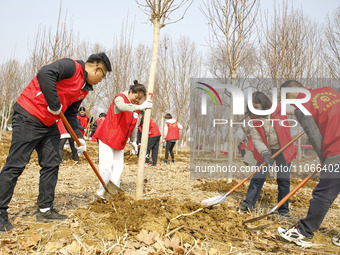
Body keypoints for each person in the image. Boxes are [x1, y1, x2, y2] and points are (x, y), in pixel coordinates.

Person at [0, 52, 112, 233]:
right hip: (29, 115)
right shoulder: (71, 66)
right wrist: (53, 103)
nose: (101, 80)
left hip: (49, 123)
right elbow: (45, 74)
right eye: (103, 76)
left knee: (52, 163)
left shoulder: (83, 89)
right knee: (16, 165)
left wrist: (79, 137)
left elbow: (70, 113)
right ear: (97, 69)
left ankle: (45, 209)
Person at [277, 80, 340, 248]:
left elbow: (314, 136)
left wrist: (324, 159)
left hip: (337, 149)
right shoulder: (328, 90)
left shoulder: (302, 107)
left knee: (323, 194)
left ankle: (303, 232)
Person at [236, 92, 297, 216]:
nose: (257, 110)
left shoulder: (279, 108)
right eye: (254, 108)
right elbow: (257, 139)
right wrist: (264, 154)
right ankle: (248, 205)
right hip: (266, 151)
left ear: (265, 105)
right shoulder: (253, 120)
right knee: (258, 178)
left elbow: (297, 112)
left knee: (283, 180)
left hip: (283, 149)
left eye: (258, 107)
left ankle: (283, 209)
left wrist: (307, 117)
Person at [96, 80, 152, 198]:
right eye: (136, 97)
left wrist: (133, 141)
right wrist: (139, 106)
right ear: (131, 91)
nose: (137, 100)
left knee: (118, 167)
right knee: (107, 166)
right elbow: (122, 107)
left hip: (120, 141)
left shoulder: (135, 107)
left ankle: (113, 193)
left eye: (139, 99)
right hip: (108, 137)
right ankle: (102, 194)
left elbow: (133, 125)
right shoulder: (120, 97)